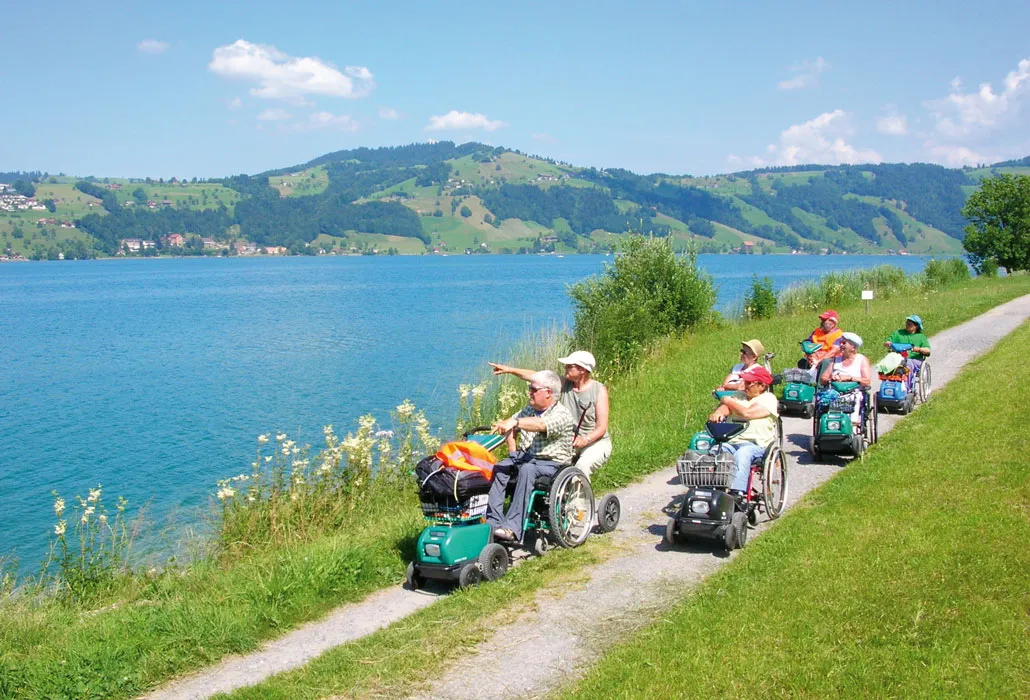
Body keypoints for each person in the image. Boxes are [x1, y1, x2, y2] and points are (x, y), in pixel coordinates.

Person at [488, 350, 611, 480]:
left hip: (594, 442)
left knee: (581, 466)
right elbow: (536, 376)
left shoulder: (598, 390)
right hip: (569, 441)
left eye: (570, 366)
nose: (565, 368)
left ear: (582, 370)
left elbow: (601, 427)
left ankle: (578, 499)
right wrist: (509, 370)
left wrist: (585, 439)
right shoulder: (564, 384)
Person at [486, 370, 574, 542]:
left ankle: (511, 528)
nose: (529, 392)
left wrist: (516, 423)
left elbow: (540, 425)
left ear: (548, 392)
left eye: (533, 389)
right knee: (500, 468)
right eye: (529, 388)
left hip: (553, 464)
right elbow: (510, 425)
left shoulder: (561, 414)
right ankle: (492, 523)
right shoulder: (529, 409)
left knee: (527, 470)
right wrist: (511, 448)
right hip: (527, 457)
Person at [707, 366, 779, 503]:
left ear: (762, 385)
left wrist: (727, 401)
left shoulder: (768, 399)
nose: (744, 385)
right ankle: (714, 487)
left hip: (756, 444)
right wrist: (719, 412)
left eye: (749, 383)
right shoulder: (738, 396)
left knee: (743, 454)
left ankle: (737, 492)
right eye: (744, 381)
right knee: (716, 451)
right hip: (732, 441)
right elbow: (726, 408)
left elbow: (747, 413)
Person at [820, 331, 871, 426]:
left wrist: (850, 378)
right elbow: (823, 379)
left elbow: (867, 381)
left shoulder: (861, 359)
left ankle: (853, 424)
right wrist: (832, 378)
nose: (841, 345)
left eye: (844, 343)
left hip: (853, 392)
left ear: (853, 347)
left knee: (855, 398)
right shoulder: (836, 360)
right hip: (835, 392)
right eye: (841, 342)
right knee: (827, 399)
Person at [883, 315, 930, 390]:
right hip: (899, 357)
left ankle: (905, 389)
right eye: (906, 323)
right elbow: (887, 342)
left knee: (908, 364)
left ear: (916, 326)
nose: (907, 325)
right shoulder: (898, 333)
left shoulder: (921, 337)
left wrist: (918, 349)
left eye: (909, 324)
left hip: (914, 359)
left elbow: (927, 350)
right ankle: (887, 388)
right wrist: (888, 344)